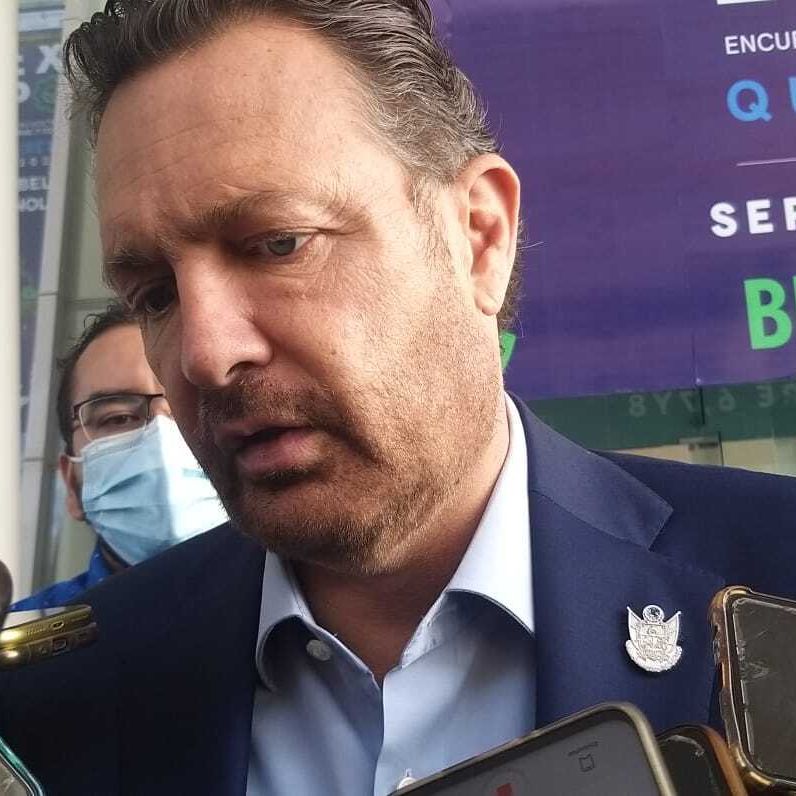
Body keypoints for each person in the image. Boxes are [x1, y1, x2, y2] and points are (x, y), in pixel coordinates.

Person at [0, 2, 795, 793]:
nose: (206, 354)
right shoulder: (54, 707)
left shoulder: (774, 573)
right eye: (154, 295)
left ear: (479, 236)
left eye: (279, 244)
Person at [11, 304, 228, 609]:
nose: (162, 441)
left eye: (190, 406)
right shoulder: (23, 633)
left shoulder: (301, 613)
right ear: (71, 484)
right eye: (118, 418)